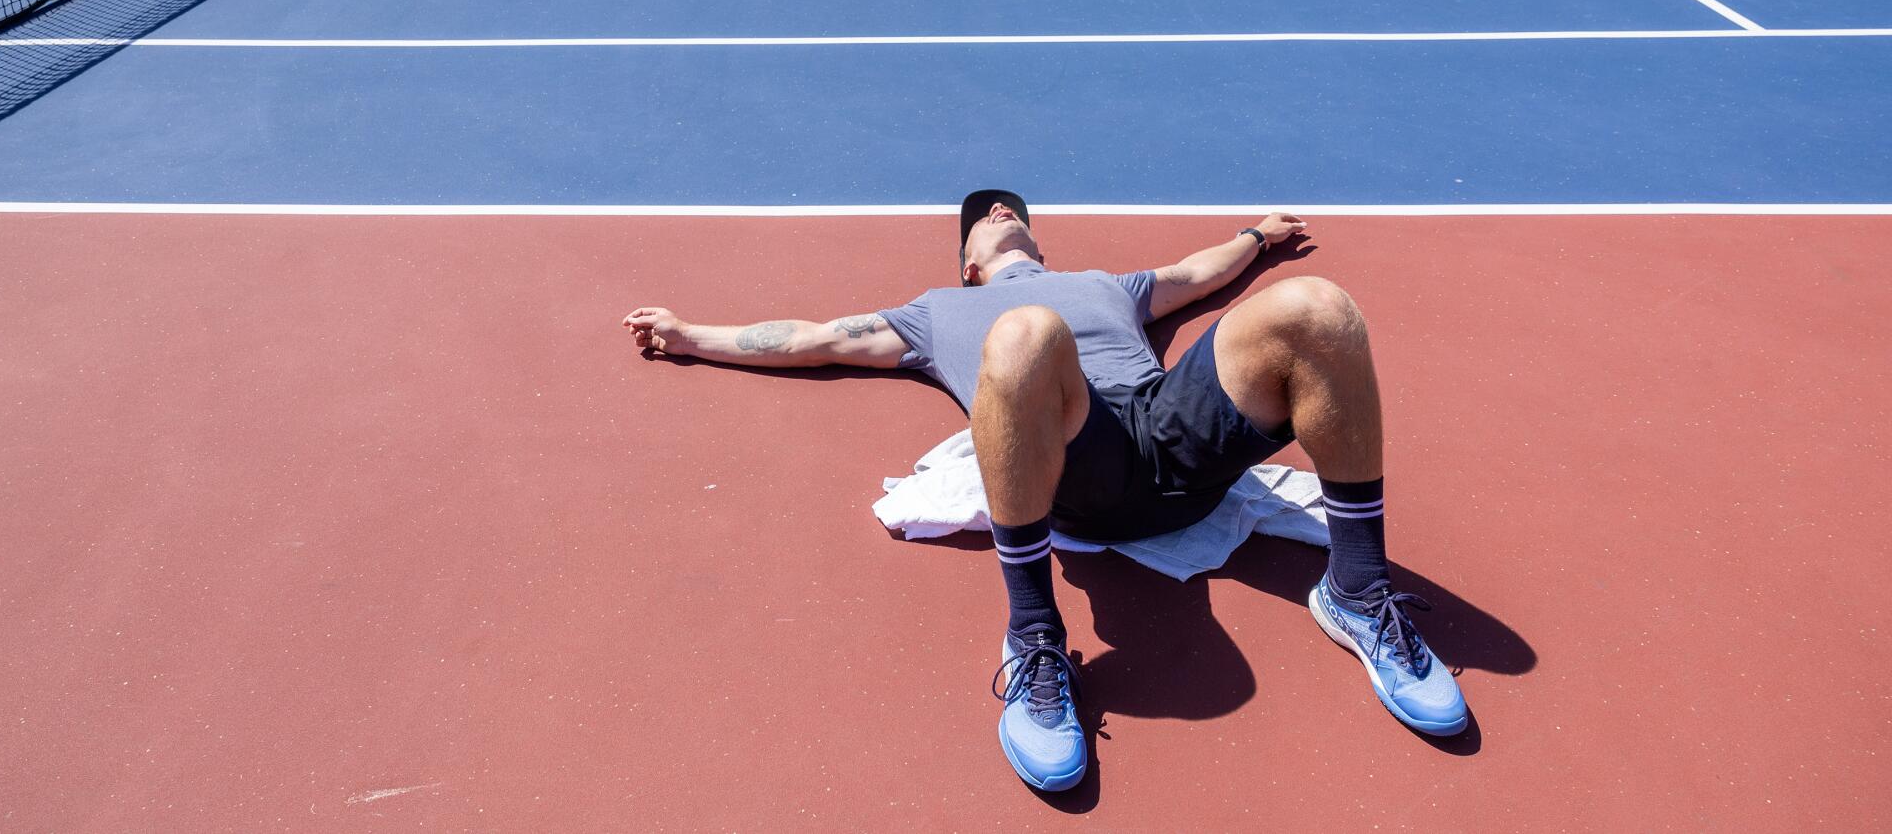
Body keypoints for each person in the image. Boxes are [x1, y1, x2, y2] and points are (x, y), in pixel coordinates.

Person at [622, 189, 1466, 792]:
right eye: (985, 216)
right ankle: (1034, 640)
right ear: (968, 260)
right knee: (1027, 336)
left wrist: (1254, 234)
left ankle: (1356, 591)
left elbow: (1192, 275)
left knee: (1318, 306)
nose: (1001, 213)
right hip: (1081, 455)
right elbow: (810, 339)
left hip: (1174, 434)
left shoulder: (1107, 284)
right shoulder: (934, 312)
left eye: (1011, 208)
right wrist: (691, 334)